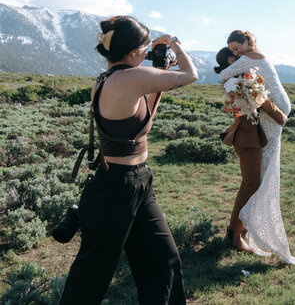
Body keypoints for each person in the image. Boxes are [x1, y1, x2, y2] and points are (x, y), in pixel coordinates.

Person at [60, 16, 198, 305]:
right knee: (93, 272)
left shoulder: (108, 78)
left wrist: (159, 74)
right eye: (146, 46)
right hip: (117, 187)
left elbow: (141, 123)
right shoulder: (131, 77)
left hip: (134, 182)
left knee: (163, 260)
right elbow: (191, 75)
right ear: (134, 50)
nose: (149, 51)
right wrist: (172, 42)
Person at [220, 31, 295, 264]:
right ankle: (239, 231)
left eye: (238, 48)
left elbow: (228, 76)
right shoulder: (247, 70)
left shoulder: (249, 63)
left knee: (260, 178)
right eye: (233, 51)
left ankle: (240, 230)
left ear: (247, 42)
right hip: (266, 124)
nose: (237, 54)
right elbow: (229, 79)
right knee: (256, 180)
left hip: (270, 121)